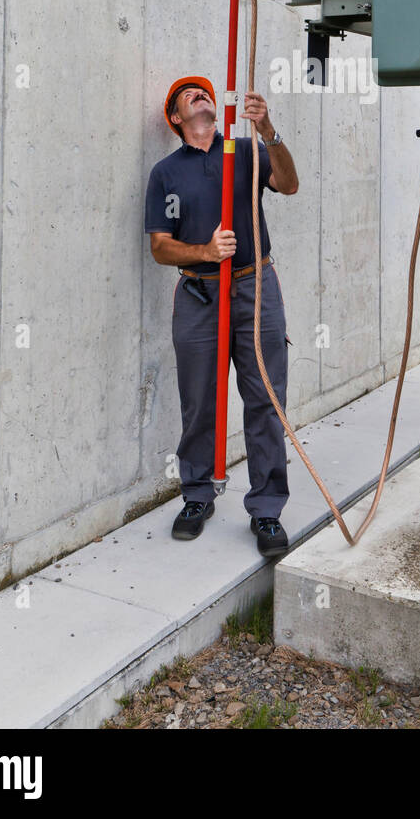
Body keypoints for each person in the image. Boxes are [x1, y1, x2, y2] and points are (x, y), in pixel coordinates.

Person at [145, 76, 299, 558]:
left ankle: (267, 508)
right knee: (199, 400)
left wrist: (267, 126)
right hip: (199, 293)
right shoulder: (166, 173)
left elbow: (289, 184)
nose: (200, 94)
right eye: (187, 94)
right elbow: (159, 246)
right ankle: (197, 495)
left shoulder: (245, 151)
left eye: (204, 91)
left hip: (255, 285)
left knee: (265, 398)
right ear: (175, 118)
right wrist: (206, 250)